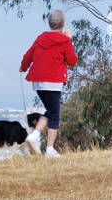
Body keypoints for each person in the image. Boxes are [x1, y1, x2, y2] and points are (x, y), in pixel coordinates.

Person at [20, 9, 77, 157]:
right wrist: (69, 40)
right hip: (53, 82)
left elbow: (29, 55)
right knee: (55, 115)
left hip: (38, 82)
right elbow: (72, 61)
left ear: (49, 23)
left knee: (51, 112)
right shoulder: (64, 41)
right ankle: (47, 147)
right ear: (63, 24)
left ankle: (38, 138)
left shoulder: (40, 38)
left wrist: (23, 67)